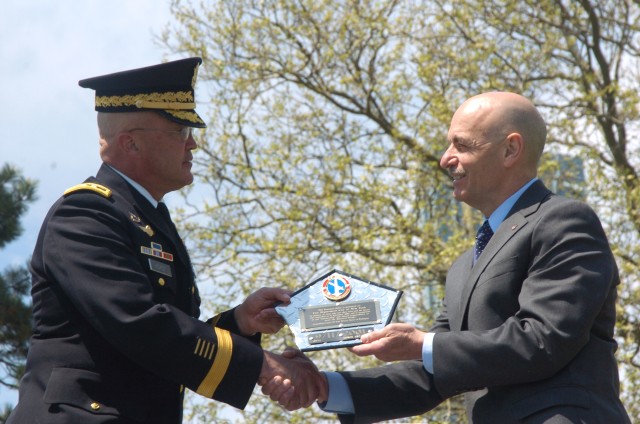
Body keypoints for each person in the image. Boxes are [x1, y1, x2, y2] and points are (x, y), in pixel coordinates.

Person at [263, 92, 631, 423]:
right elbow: (434, 372)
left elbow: (543, 339)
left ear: (510, 150)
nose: (445, 159)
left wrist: (422, 343)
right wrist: (325, 386)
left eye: (462, 145)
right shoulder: (463, 267)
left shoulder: (563, 220)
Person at [7, 57, 321, 424]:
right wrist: (263, 365)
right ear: (131, 143)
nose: (193, 145)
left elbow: (165, 340)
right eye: (181, 131)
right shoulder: (83, 214)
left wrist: (242, 321)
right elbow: (139, 323)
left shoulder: (147, 219)